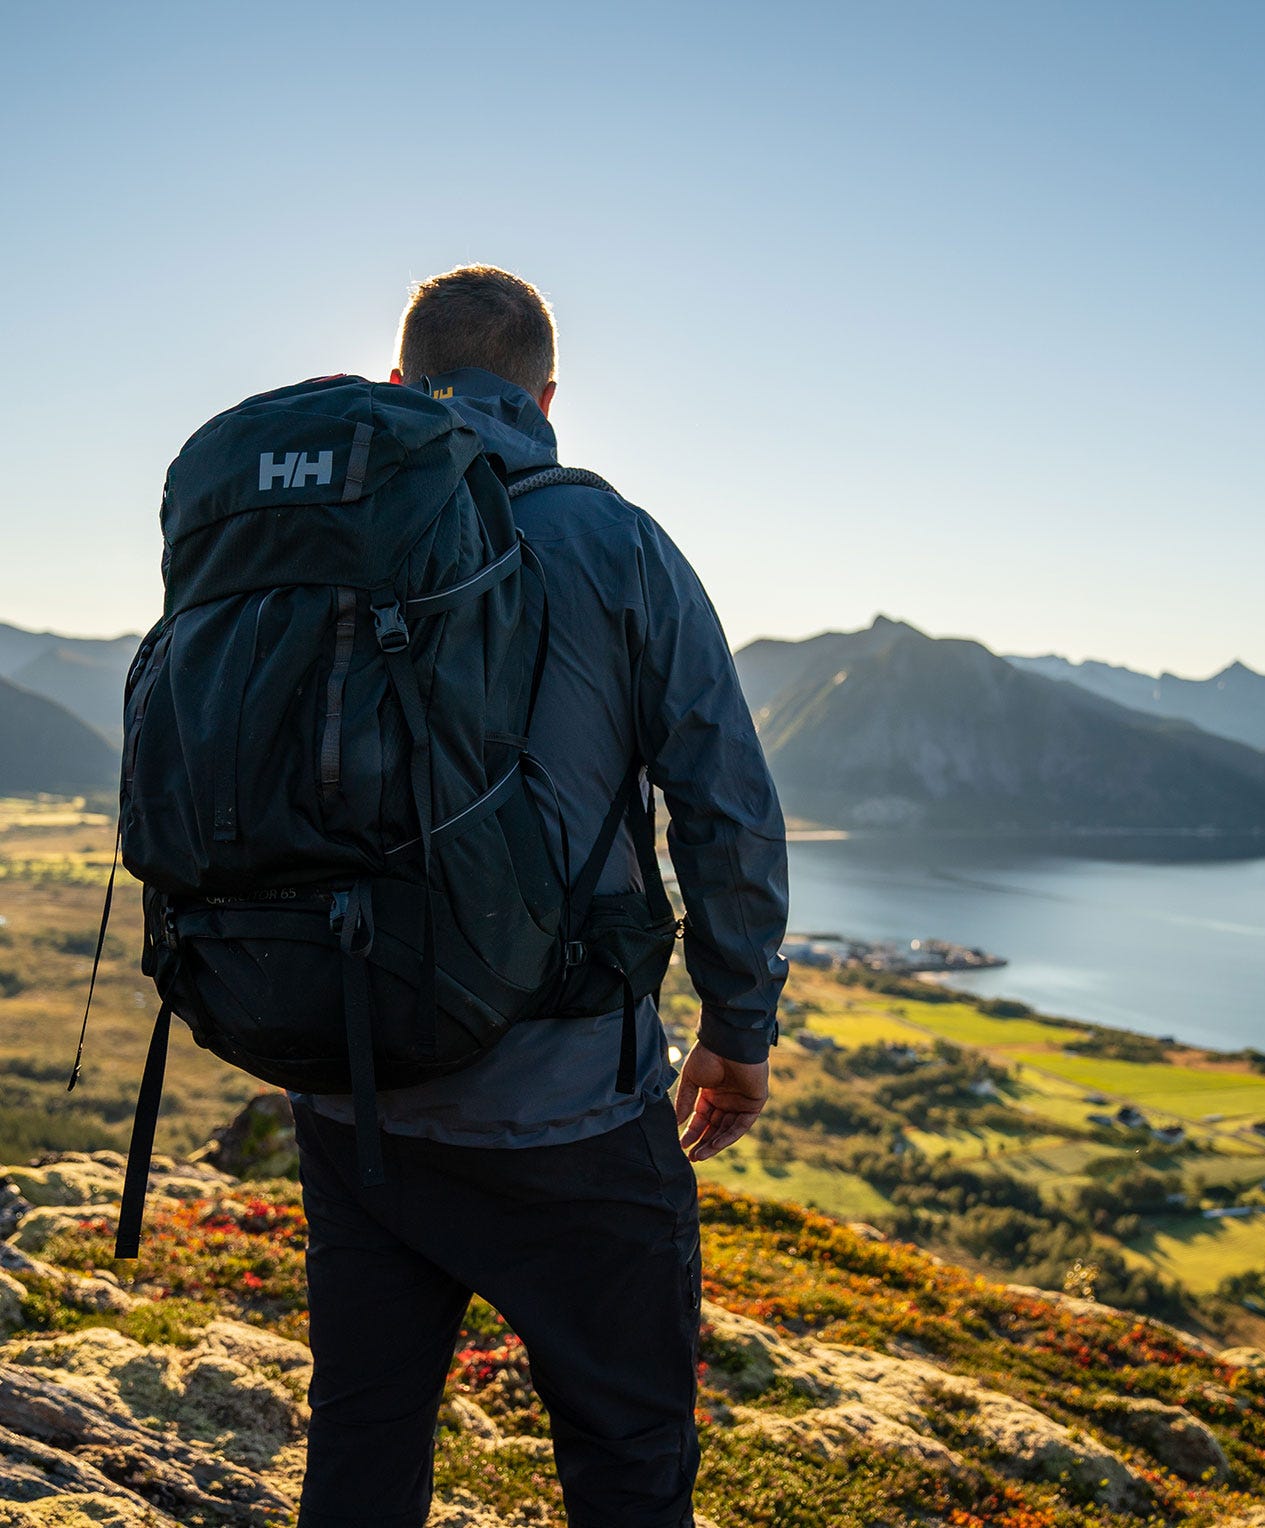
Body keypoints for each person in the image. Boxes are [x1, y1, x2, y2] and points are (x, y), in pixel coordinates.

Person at [286, 264, 789, 1528]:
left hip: (352, 1093)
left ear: (400, 381)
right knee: (627, 1464)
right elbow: (723, 804)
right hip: (566, 1111)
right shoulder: (613, 539)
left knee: (361, 1448)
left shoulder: (309, 534)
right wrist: (739, 1032)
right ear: (547, 396)